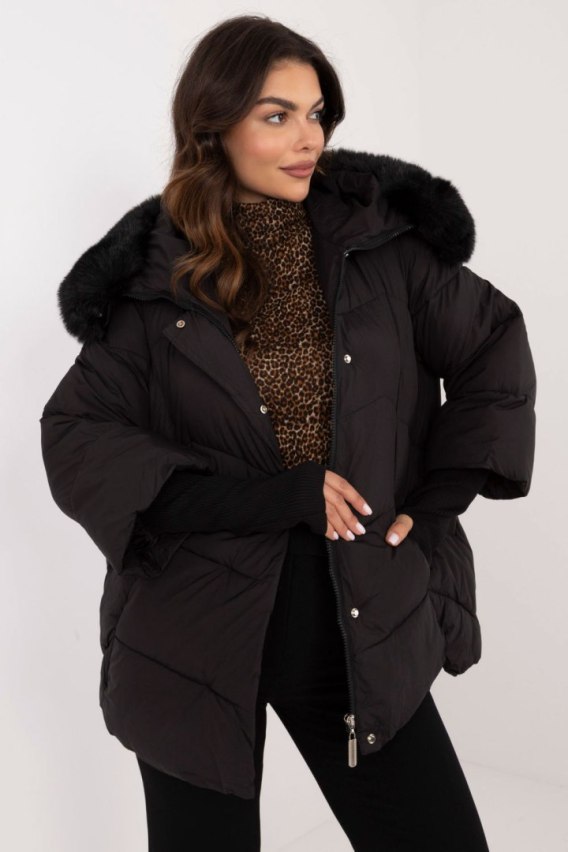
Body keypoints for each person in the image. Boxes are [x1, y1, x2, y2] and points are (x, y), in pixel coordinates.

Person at [39, 13, 536, 852]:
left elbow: (493, 342)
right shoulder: (154, 282)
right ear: (214, 127)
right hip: (191, 629)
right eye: (277, 116)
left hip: (355, 612)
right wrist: (270, 498)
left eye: (316, 114)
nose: (308, 138)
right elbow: (77, 434)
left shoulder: (381, 249)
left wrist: (439, 498)